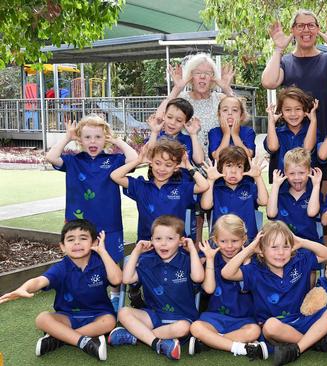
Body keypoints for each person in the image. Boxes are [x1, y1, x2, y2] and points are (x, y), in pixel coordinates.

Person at [45, 115, 136, 310]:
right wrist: (67, 137)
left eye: (98, 137)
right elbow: (51, 157)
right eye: (87, 137)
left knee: (112, 262)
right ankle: (85, 297)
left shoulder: (115, 160)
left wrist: (117, 140)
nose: (93, 141)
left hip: (109, 224)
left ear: (106, 139)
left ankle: (115, 297)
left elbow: (135, 159)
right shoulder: (73, 161)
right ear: (80, 140)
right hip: (79, 225)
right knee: (81, 261)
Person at [221, 221, 327, 366]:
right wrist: (250, 249)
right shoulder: (255, 270)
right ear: (261, 251)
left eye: (286, 246)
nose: (281, 252)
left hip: (302, 319)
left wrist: (302, 242)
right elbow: (226, 273)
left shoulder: (299, 261)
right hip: (278, 327)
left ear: (292, 247)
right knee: (270, 326)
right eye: (274, 247)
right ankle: (314, 341)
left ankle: (298, 348)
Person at [0, 220, 121, 361]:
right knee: (42, 319)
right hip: (67, 317)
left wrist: (103, 252)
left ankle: (59, 339)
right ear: (62, 247)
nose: (77, 243)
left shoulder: (101, 263)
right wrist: (24, 288)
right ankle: (84, 341)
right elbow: (39, 281)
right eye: (70, 239)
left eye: (83, 238)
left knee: (110, 321)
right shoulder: (61, 268)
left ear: (94, 243)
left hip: (98, 315)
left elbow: (117, 279)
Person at [108, 215, 205, 360]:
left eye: (170, 239)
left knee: (184, 328)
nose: (163, 244)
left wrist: (192, 249)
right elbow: (127, 279)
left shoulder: (187, 260)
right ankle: (157, 343)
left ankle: (136, 336)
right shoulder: (147, 261)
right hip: (154, 316)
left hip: (181, 318)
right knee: (123, 312)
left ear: (180, 241)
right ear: (151, 241)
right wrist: (136, 251)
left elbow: (198, 278)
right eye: (158, 239)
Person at [261, 9, 327, 141]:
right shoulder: (285, 62)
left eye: (311, 25)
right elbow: (269, 82)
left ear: (318, 29)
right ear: (292, 30)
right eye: (300, 26)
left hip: (325, 136)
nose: (306, 30)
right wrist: (279, 49)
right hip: (292, 139)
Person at [188, 214, 266, 360]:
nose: (229, 246)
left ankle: (210, 342)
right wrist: (209, 260)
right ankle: (239, 347)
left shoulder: (252, 262)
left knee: (254, 331)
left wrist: (246, 259)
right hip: (215, 318)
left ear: (244, 239)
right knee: (196, 327)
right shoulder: (213, 259)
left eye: (235, 241)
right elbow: (209, 289)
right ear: (215, 240)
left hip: (243, 319)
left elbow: (248, 288)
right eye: (223, 241)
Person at [110, 139, 209, 241]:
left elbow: (204, 185)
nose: (161, 169)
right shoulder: (141, 186)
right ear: (151, 163)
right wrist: (138, 161)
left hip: (175, 245)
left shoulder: (181, 187)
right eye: (158, 163)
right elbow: (115, 176)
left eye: (168, 165)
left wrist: (188, 166)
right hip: (147, 246)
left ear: (176, 167)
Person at [157, 53, 235, 157]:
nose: (202, 76)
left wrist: (227, 89)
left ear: (213, 77)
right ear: (190, 77)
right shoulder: (181, 99)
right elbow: (159, 118)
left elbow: (241, 116)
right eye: (197, 72)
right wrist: (176, 88)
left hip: (219, 159)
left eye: (207, 73)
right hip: (187, 161)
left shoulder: (221, 99)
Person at [201, 146, 268, 242]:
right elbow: (206, 206)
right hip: (221, 241)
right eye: (229, 165)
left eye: (239, 166)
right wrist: (210, 180)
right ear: (220, 168)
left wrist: (258, 177)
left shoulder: (249, 186)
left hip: (247, 240)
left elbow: (264, 201)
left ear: (245, 169)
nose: (233, 171)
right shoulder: (215, 188)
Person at [267, 147, 323, 242]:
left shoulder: (314, 193)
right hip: (284, 245)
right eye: (292, 173)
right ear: (285, 173)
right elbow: (271, 214)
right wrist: (275, 185)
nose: (297, 178)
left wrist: (316, 185)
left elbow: (312, 212)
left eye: (301, 173)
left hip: (308, 245)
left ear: (309, 171)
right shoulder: (280, 194)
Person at [264, 86, 319, 181]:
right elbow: (273, 147)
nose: (293, 114)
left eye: (298, 109)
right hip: (282, 188)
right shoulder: (277, 132)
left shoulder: (311, 131)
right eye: (288, 110)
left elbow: (307, 149)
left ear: (305, 111)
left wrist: (313, 121)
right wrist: (271, 122)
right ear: (281, 112)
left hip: (307, 187)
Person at [148, 97, 204, 165]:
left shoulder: (188, 140)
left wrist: (193, 134)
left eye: (179, 120)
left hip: (183, 175)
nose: (172, 122)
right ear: (164, 115)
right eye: (169, 117)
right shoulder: (155, 137)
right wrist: (154, 132)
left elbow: (200, 160)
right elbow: (148, 157)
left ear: (186, 122)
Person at [208, 95, 256, 161]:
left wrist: (235, 135)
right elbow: (217, 158)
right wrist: (226, 134)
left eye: (234, 110)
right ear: (219, 115)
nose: (230, 113)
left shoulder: (248, 132)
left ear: (241, 115)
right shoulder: (214, 132)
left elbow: (248, 157)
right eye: (225, 110)